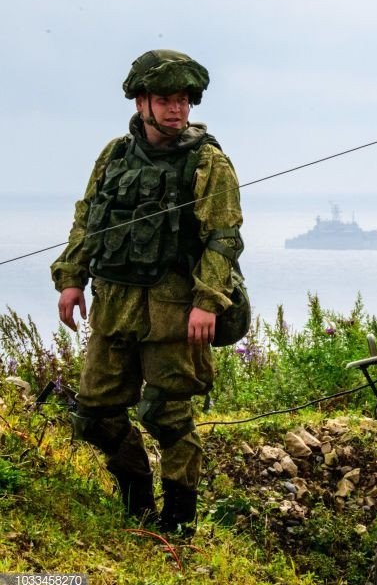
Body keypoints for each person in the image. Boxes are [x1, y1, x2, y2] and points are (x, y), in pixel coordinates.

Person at [51, 49, 243, 533]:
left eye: (183, 100)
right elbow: (89, 216)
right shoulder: (115, 155)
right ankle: (136, 499)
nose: (176, 109)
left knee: (167, 412)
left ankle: (178, 519)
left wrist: (206, 303)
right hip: (114, 305)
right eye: (165, 99)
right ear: (142, 103)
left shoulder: (208, 162)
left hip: (173, 310)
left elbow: (224, 237)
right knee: (94, 414)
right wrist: (71, 277)